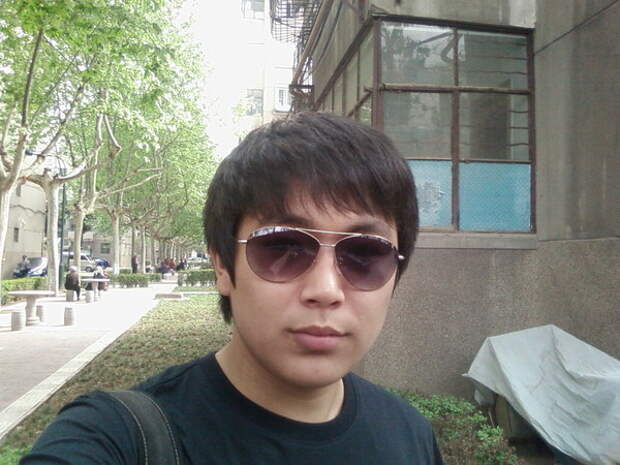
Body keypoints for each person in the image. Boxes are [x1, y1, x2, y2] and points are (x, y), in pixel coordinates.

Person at [21, 112, 443, 464]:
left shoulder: (410, 435)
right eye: (282, 247)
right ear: (222, 265)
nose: (326, 289)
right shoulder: (117, 438)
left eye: (365, 253)